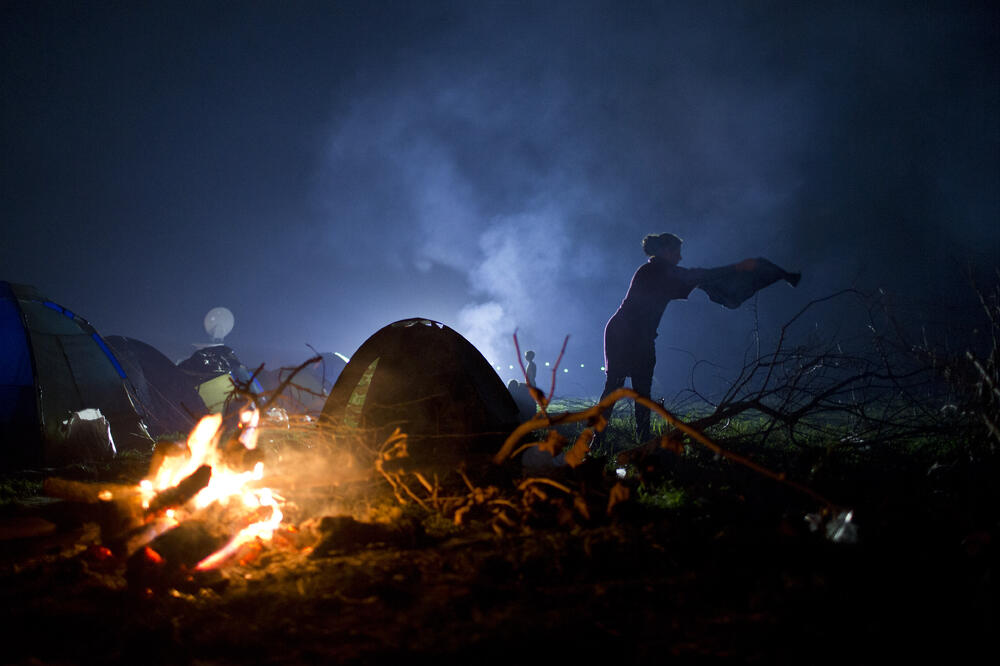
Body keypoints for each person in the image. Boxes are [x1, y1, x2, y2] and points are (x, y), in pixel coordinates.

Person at [598, 232, 800, 446]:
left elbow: (696, 277)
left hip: (641, 337)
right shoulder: (654, 271)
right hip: (623, 334)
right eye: (677, 252)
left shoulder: (661, 270)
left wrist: (735, 269)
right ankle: (598, 440)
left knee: (641, 392)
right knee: (615, 387)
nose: (680, 257)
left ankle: (641, 442)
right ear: (666, 251)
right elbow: (697, 275)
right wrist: (737, 267)